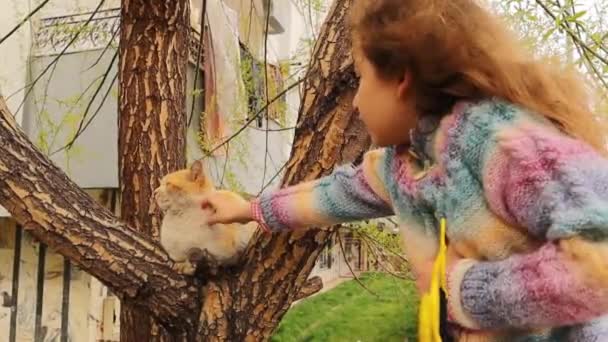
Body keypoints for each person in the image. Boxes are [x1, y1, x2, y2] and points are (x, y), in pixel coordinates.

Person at [200, 0, 608, 340]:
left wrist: (467, 290)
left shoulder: (499, 141)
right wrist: (250, 209)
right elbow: (333, 194)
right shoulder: (405, 166)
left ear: (400, 78)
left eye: (361, 80)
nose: (356, 102)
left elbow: (597, 262)